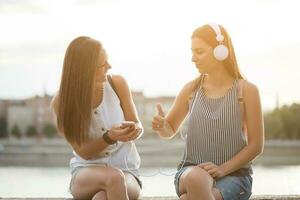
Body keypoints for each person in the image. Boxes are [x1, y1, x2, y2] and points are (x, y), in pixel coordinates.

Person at [152, 23, 264, 200]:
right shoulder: (190, 90)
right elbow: (169, 130)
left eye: (199, 52)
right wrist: (162, 126)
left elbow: (256, 146)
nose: (193, 58)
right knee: (197, 177)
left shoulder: (247, 91)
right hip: (189, 173)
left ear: (221, 51)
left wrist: (222, 169)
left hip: (235, 177)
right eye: (192, 52)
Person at [51, 36, 143, 200]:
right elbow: (83, 152)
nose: (110, 66)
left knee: (102, 197)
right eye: (103, 64)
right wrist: (109, 137)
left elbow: (137, 125)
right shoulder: (61, 102)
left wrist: (134, 129)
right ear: (86, 69)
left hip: (127, 171)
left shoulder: (118, 84)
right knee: (114, 178)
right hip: (86, 173)